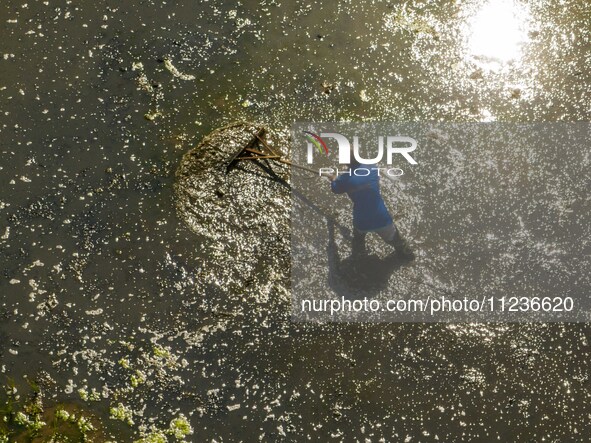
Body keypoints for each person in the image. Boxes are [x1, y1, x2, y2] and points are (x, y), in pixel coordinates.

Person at [323, 158, 413, 259]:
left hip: (361, 221)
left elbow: (335, 189)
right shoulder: (372, 167)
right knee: (398, 243)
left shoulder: (343, 179)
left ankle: (360, 256)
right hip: (382, 218)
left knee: (358, 239)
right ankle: (409, 257)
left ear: (345, 162)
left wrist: (333, 179)